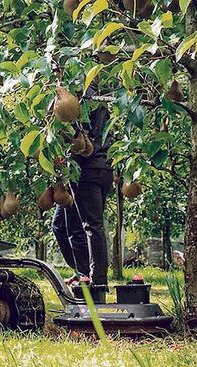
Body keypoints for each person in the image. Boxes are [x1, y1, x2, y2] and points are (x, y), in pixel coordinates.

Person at [51, 99, 113, 291]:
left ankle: (97, 281)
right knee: (59, 224)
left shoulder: (82, 100)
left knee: (89, 226)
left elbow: (82, 142)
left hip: (89, 170)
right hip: (91, 169)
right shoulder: (96, 100)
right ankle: (83, 272)